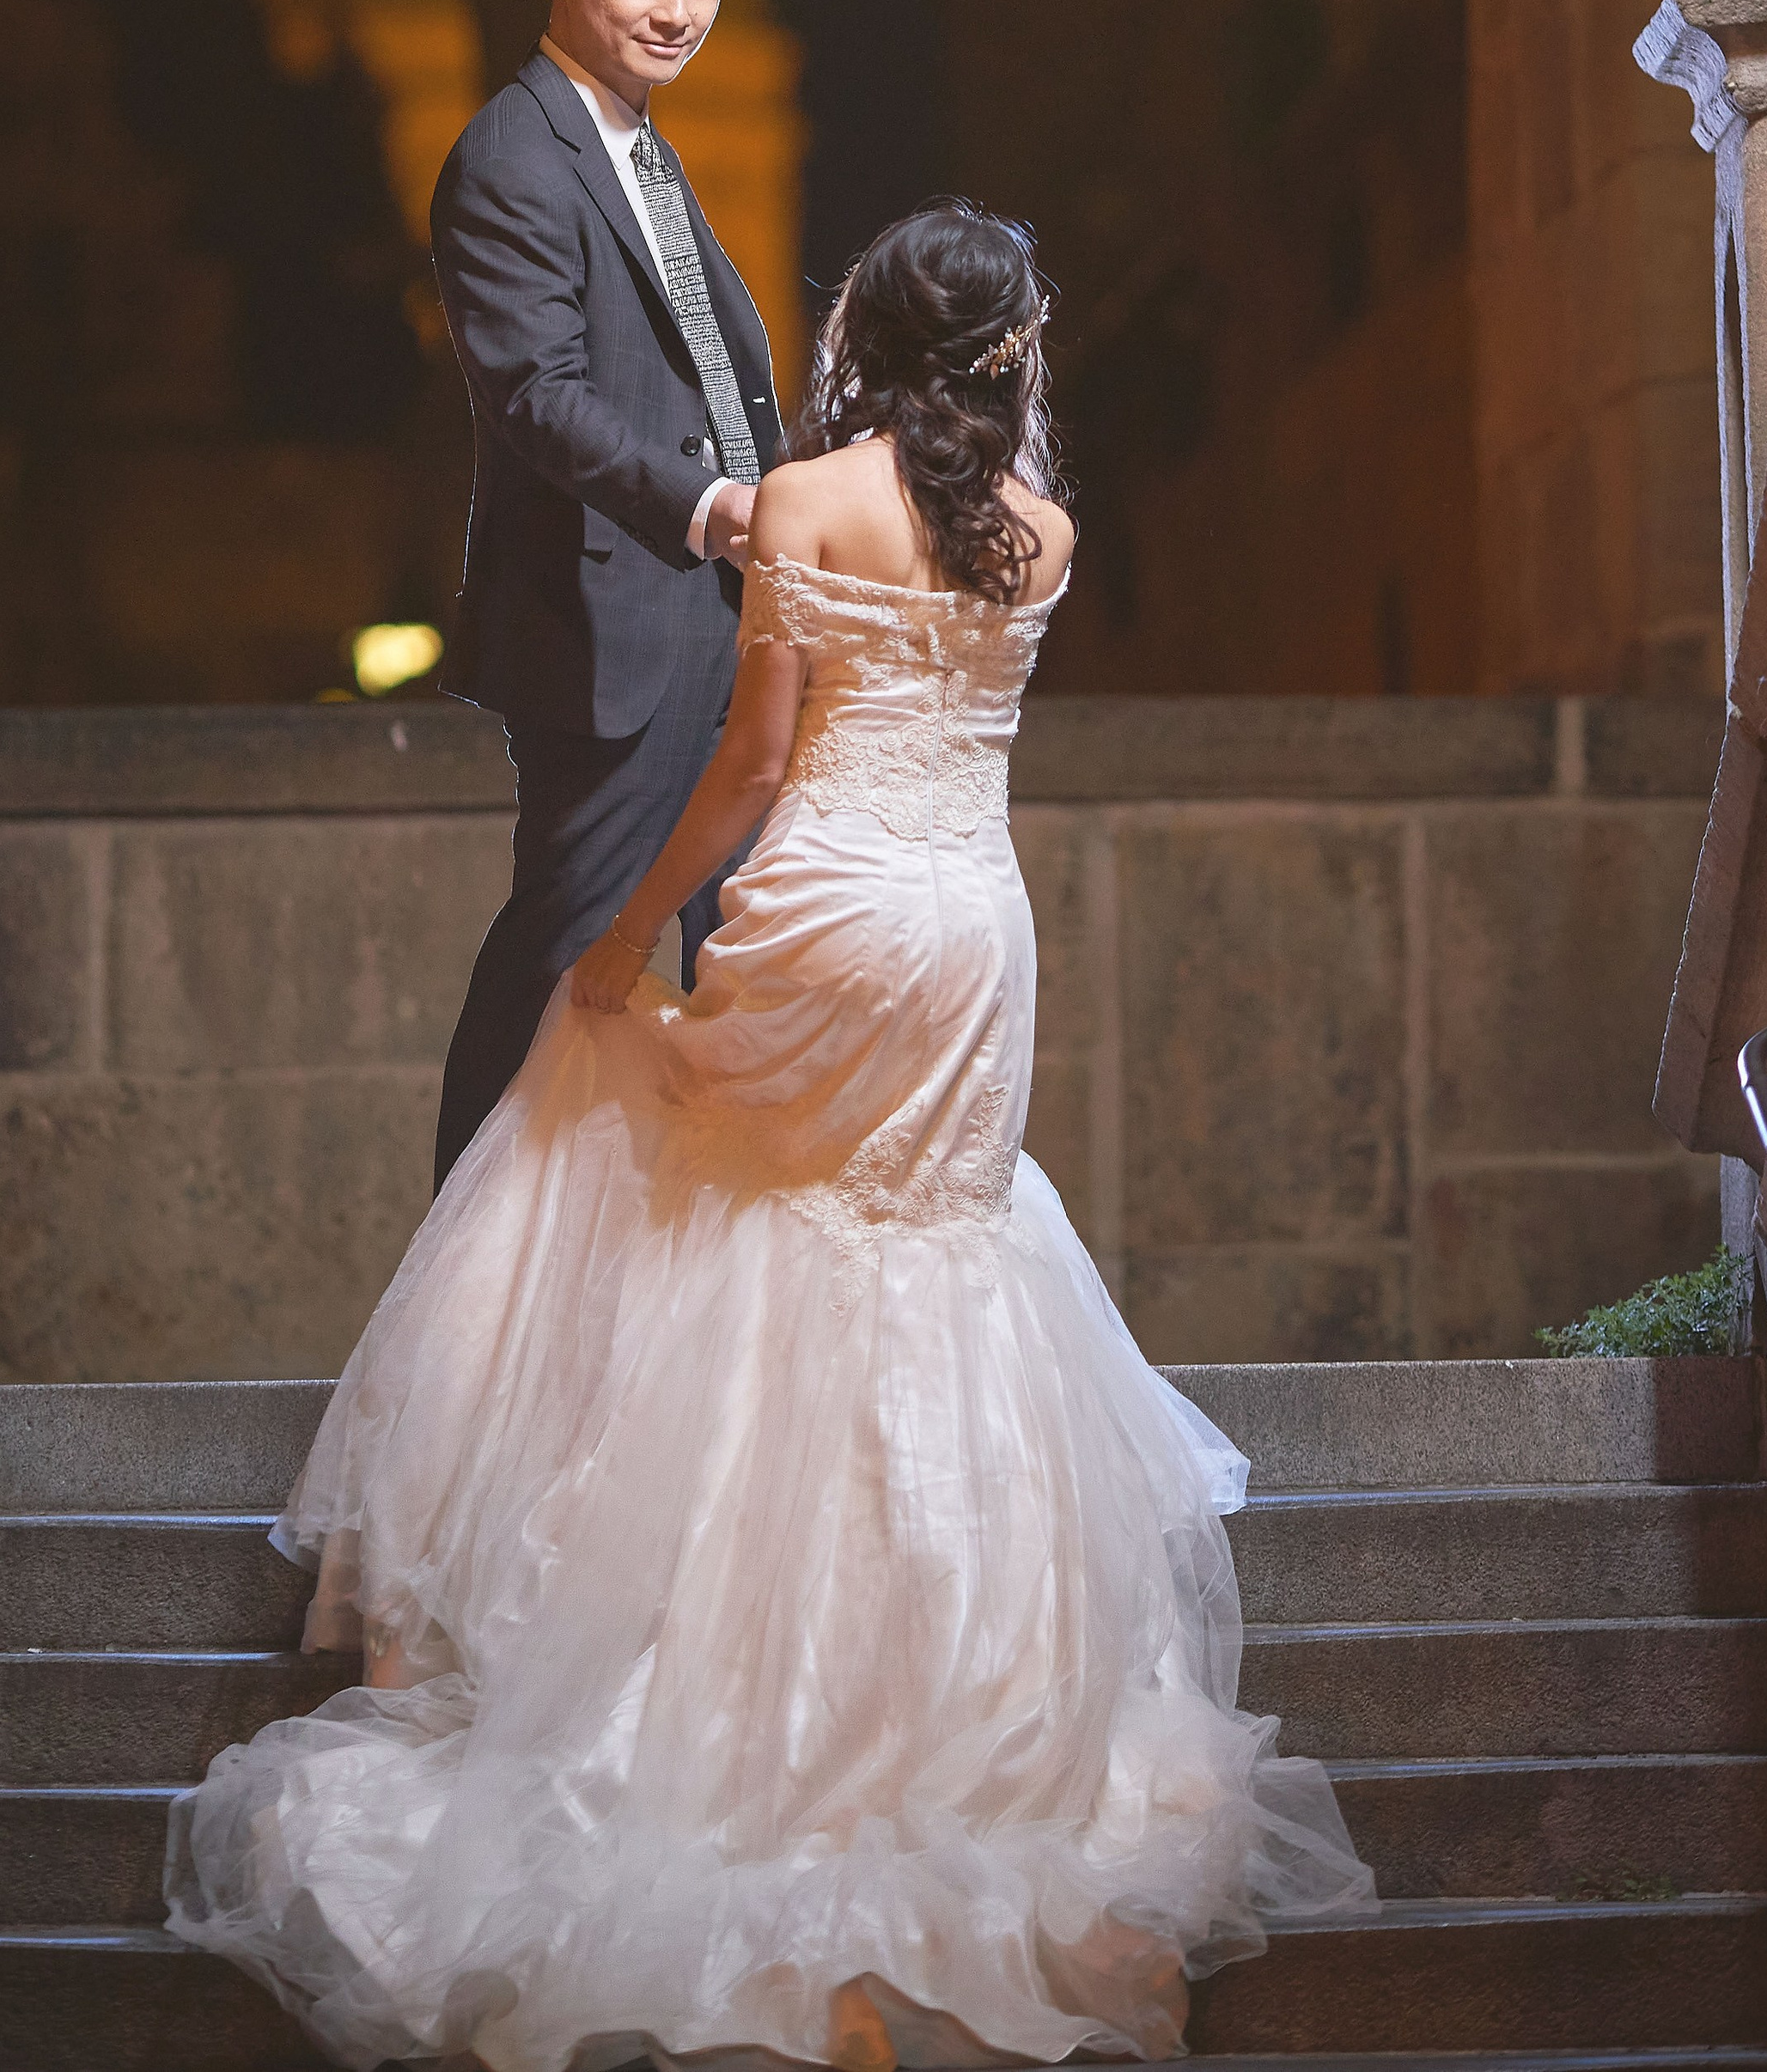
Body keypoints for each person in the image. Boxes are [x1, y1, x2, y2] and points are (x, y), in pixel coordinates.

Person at [167, 201, 1374, 2067]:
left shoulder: (805, 500)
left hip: (825, 908)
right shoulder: (1043, 536)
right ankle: (946, 1702)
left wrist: (629, 925)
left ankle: (667, 1656)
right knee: (928, 1247)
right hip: (972, 928)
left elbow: (748, 765)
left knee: (700, 1185)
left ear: (862, 337)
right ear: (1013, 346)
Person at [424, 0, 781, 1186]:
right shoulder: (514, 154)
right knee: (565, 953)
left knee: (720, 960)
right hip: (611, 635)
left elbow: (715, 378)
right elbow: (537, 397)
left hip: (719, 624)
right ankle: (453, 1288)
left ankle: (676, 1290)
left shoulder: (639, 147)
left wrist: (792, 513)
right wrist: (713, 509)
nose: (676, 10)